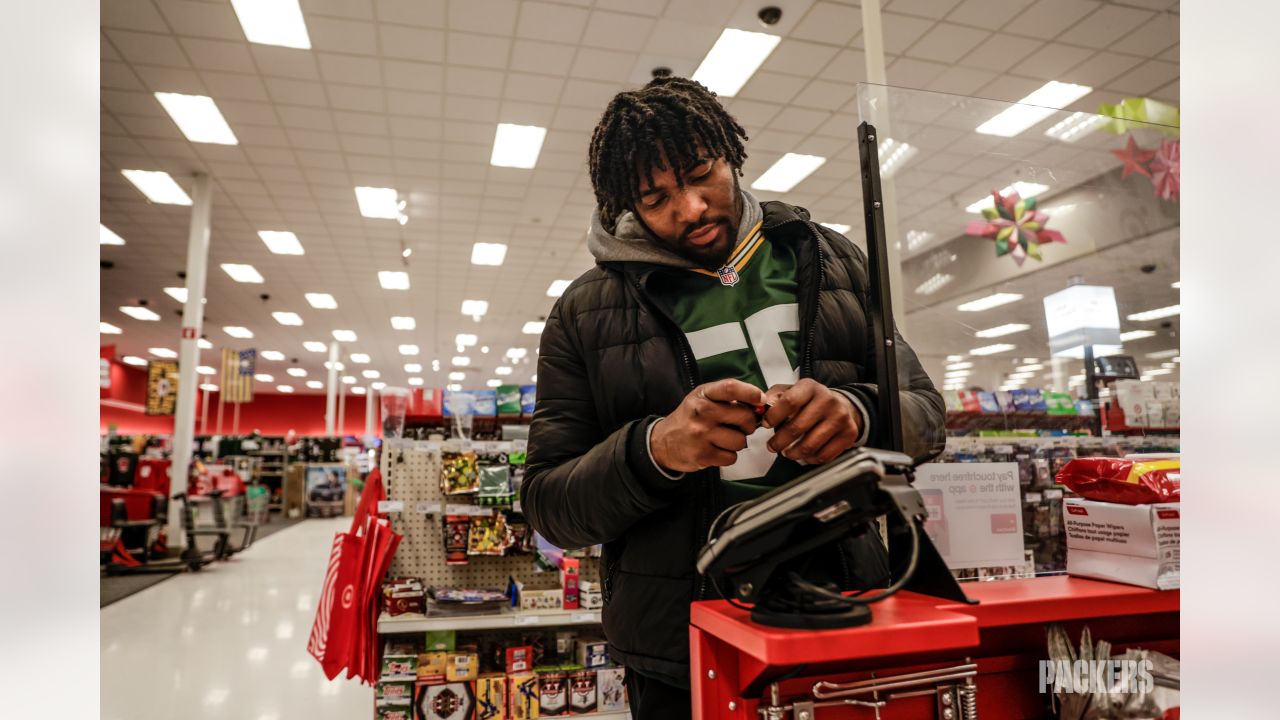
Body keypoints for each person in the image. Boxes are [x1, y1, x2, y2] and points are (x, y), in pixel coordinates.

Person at [521, 76, 946, 719]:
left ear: (731, 157)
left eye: (701, 175)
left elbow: (928, 416)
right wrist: (653, 451)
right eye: (657, 197)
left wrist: (860, 413)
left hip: (843, 604)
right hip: (677, 641)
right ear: (624, 204)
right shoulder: (585, 311)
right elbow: (550, 507)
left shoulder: (829, 260)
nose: (690, 208)